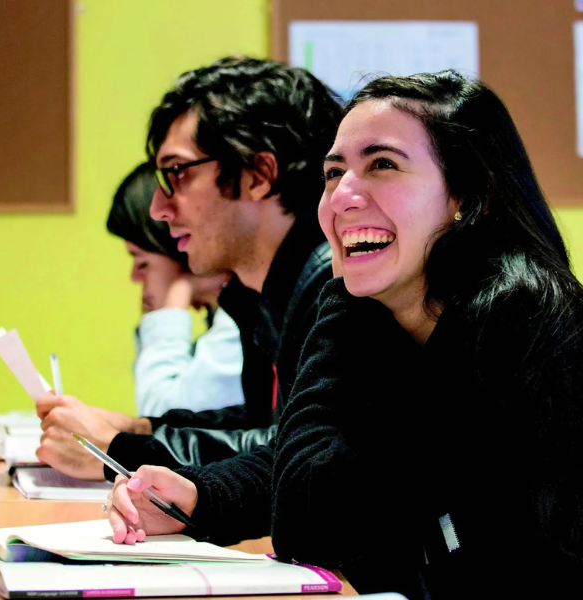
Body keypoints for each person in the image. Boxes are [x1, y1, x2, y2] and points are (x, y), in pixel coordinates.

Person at [267, 71, 583, 598]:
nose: (340, 197)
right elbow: (316, 470)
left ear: (470, 198)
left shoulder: (515, 329)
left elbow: (311, 518)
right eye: (333, 171)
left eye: (382, 165)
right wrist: (204, 494)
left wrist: (343, 299)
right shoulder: (390, 316)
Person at [36, 56, 341, 486]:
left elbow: (296, 457)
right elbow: (262, 423)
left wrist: (117, 450)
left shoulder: (336, 287)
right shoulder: (261, 293)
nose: (159, 210)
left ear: (257, 176)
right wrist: (141, 430)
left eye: (176, 174)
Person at [106, 161, 244, 417]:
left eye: (142, 262)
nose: (135, 277)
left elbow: (164, 417)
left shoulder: (239, 324)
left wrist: (174, 302)